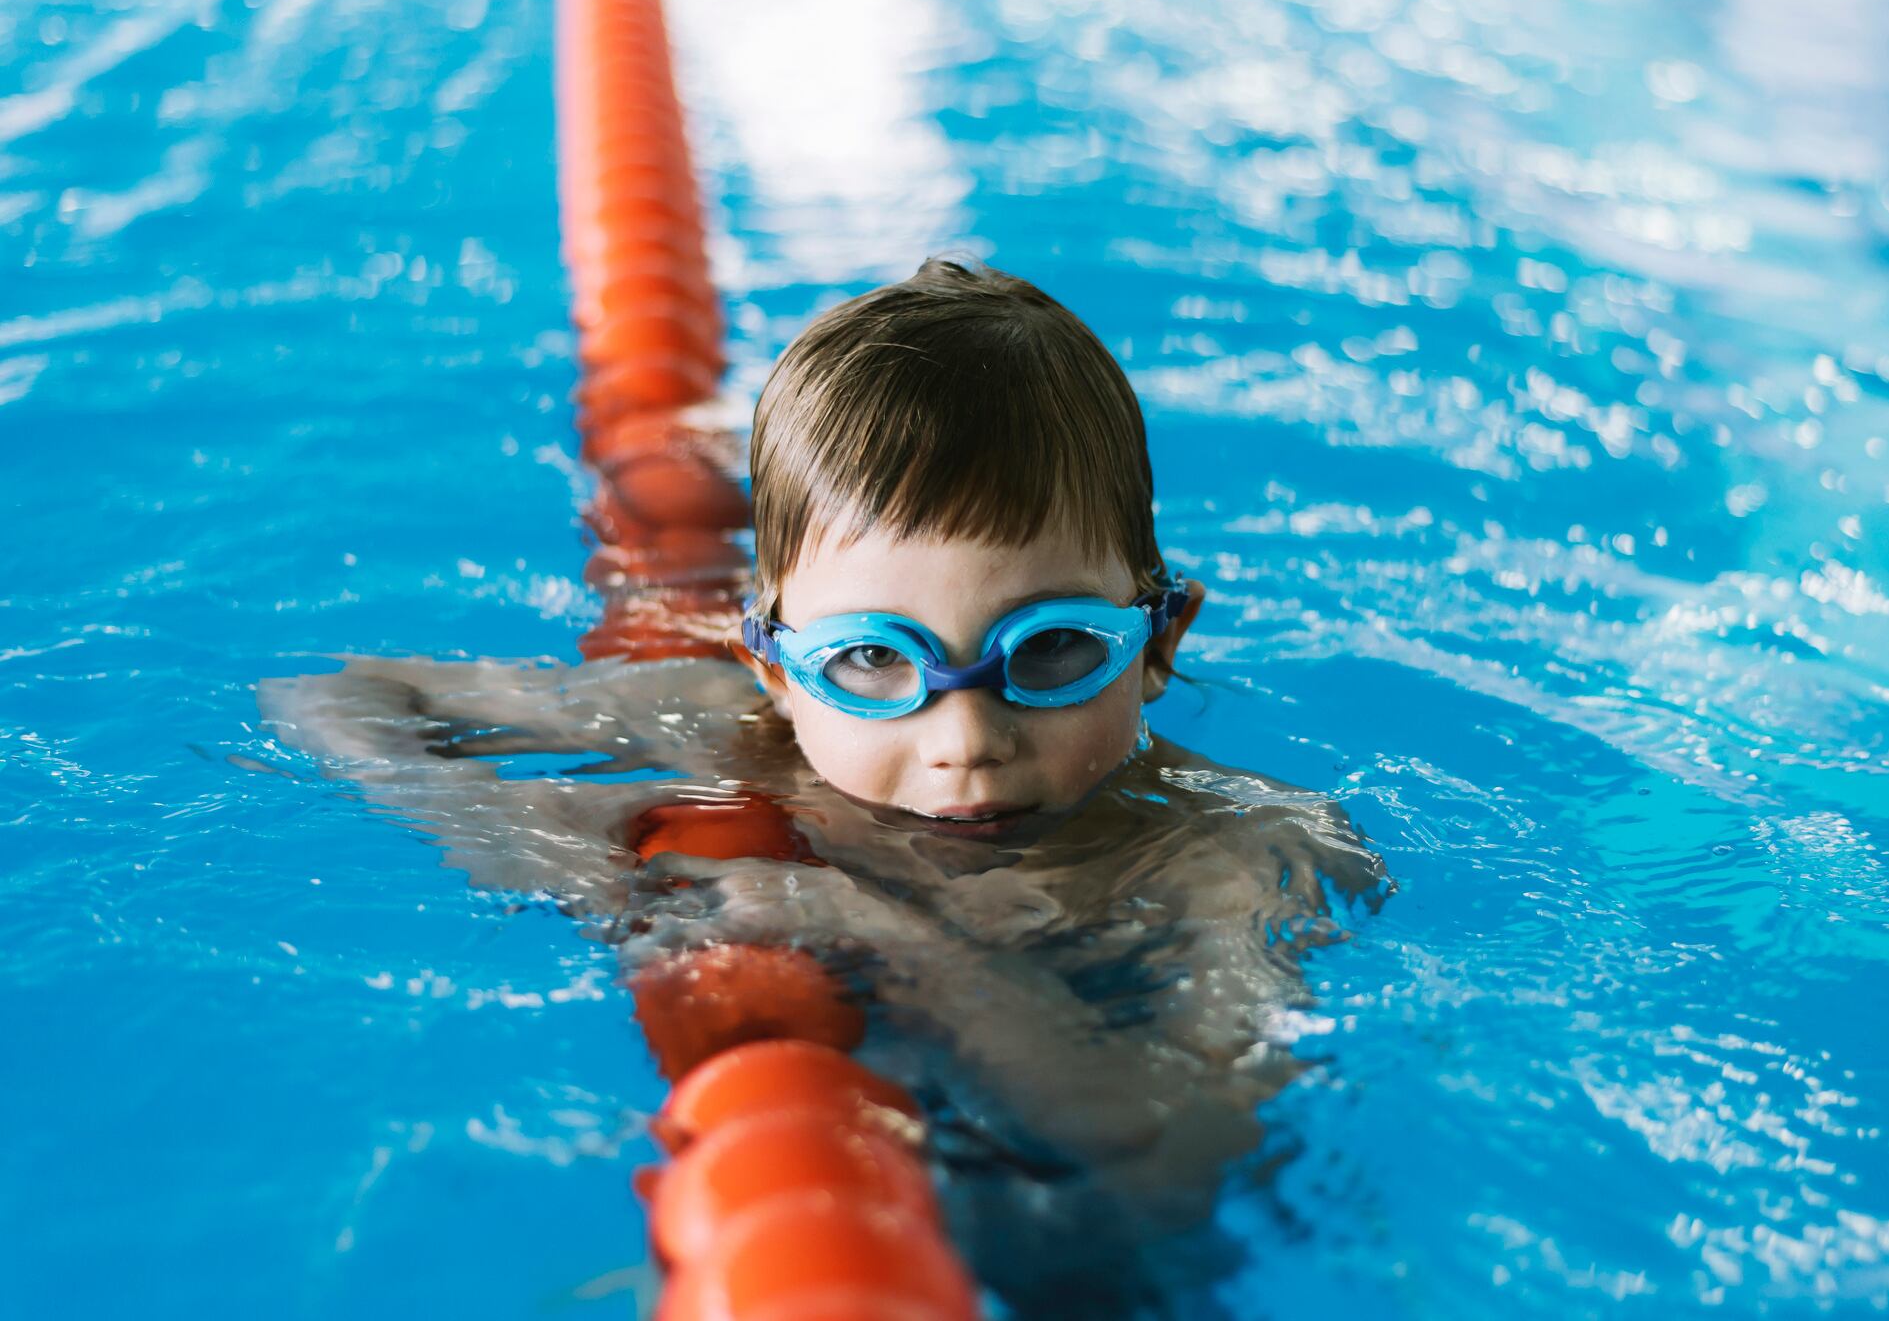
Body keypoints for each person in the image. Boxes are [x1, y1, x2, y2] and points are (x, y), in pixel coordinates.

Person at [261, 258, 1387, 1312]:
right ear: (773, 667)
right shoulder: (727, 725)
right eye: (870, 660)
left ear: (1158, 641)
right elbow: (334, 695)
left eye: (1050, 649)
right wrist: (545, 855)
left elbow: (1176, 1153)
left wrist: (883, 932)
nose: (964, 739)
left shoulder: (1237, 854)